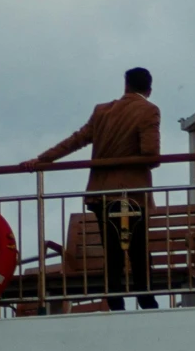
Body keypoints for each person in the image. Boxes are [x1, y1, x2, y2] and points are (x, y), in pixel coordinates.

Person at [27, 70, 161, 310]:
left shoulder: (102, 111)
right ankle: (146, 299)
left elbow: (76, 140)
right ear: (149, 90)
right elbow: (150, 154)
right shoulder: (149, 110)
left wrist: (42, 159)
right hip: (131, 195)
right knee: (137, 249)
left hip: (100, 195)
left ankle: (115, 301)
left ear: (126, 85)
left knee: (112, 251)